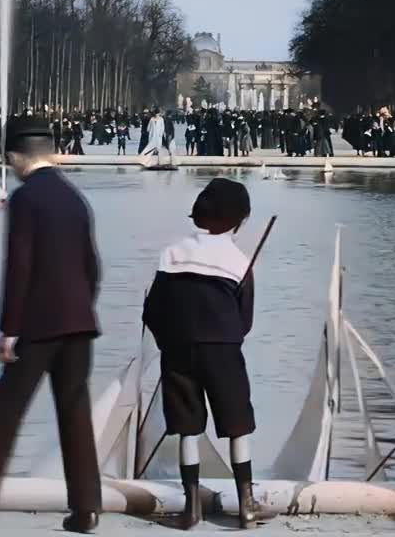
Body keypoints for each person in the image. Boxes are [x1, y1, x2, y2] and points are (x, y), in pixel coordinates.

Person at [0, 115, 103, 532]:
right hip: (80, 323)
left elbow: (19, 267)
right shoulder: (73, 196)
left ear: (14, 156)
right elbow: (92, 267)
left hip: (39, 325)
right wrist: (80, 308)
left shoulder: (26, 198)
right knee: (75, 413)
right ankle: (87, 508)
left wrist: (9, 330)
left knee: (5, 409)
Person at [142, 178, 259, 530]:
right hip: (222, 350)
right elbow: (245, 320)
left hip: (177, 349)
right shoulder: (239, 261)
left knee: (187, 426)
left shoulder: (171, 253)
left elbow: (153, 311)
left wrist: (168, 342)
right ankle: (247, 503)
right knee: (238, 424)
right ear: (239, 220)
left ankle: (191, 507)